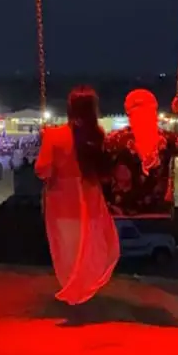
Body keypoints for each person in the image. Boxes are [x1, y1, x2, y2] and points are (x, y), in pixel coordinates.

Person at [35, 86, 119, 305]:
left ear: (70, 108)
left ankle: (73, 290)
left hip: (62, 205)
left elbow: (42, 170)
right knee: (88, 251)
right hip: (91, 204)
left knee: (68, 252)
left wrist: (46, 143)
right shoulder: (99, 136)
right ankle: (83, 289)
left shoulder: (54, 136)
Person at [105, 90, 178, 216]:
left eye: (146, 113)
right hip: (145, 215)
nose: (143, 117)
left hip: (131, 216)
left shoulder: (115, 140)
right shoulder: (116, 141)